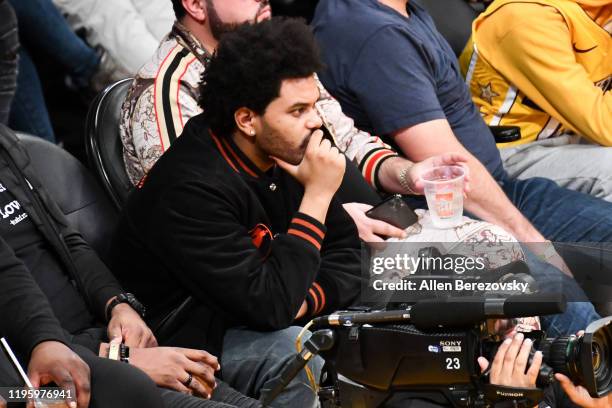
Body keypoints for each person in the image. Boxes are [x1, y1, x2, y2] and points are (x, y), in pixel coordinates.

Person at [0, 123, 261, 407]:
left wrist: (119, 305)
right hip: (58, 374)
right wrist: (119, 359)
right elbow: (18, 362)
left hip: (102, 341)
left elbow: (69, 240)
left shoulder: (4, 142)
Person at [459, 0, 612, 200]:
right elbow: (605, 125)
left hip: (570, 136)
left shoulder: (599, 9)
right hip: (506, 154)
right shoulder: (528, 16)